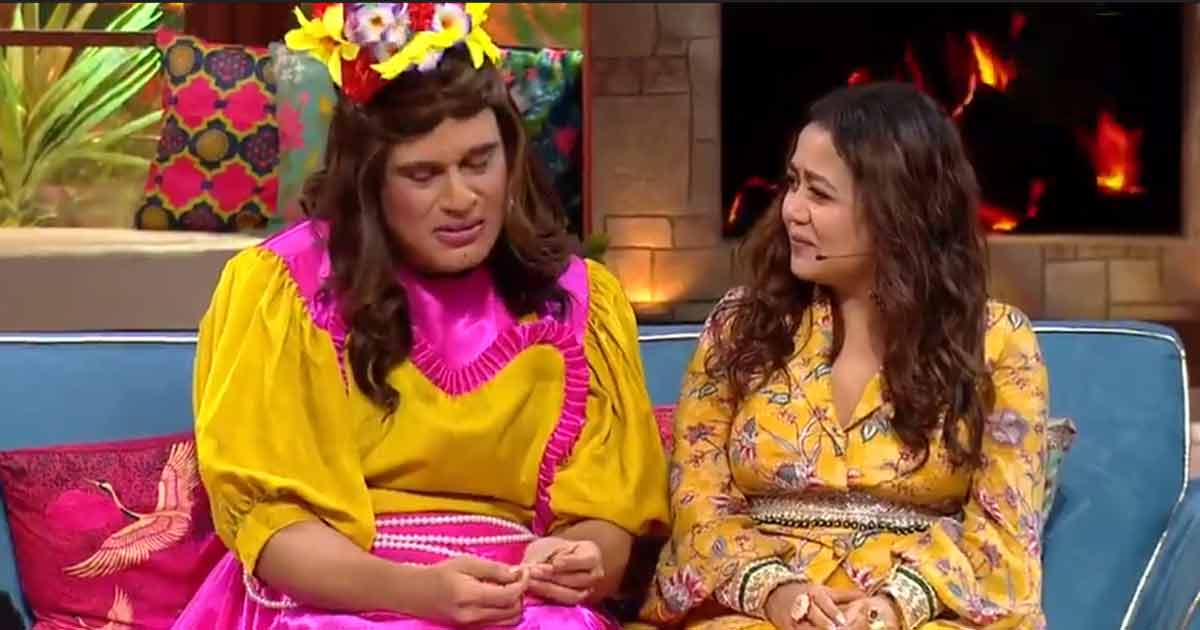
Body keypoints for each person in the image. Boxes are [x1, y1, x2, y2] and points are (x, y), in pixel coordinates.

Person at [172, 3, 668, 629]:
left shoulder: (579, 300)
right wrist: (414, 594)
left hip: (517, 599)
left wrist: (584, 557)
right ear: (369, 182)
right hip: (338, 595)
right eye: (423, 174)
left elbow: (611, 518)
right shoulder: (282, 289)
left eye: (479, 162)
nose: (461, 199)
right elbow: (272, 526)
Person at [634, 82, 1049, 630]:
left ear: (896, 211)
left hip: (922, 616)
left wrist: (892, 607)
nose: (791, 210)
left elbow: (1003, 531)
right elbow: (697, 499)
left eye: (820, 194)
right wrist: (778, 594)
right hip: (753, 611)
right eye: (792, 183)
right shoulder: (740, 326)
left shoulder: (996, 341)